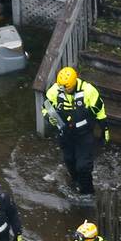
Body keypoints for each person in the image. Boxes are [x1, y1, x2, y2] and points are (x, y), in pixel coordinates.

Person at [44, 65, 108, 195]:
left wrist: (104, 129)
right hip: (65, 134)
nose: (64, 90)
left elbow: (100, 111)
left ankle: (88, 193)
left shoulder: (89, 91)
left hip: (84, 134)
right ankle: (75, 183)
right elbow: (46, 108)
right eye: (61, 87)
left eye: (67, 88)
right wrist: (50, 118)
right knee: (69, 161)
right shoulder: (54, 91)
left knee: (83, 166)